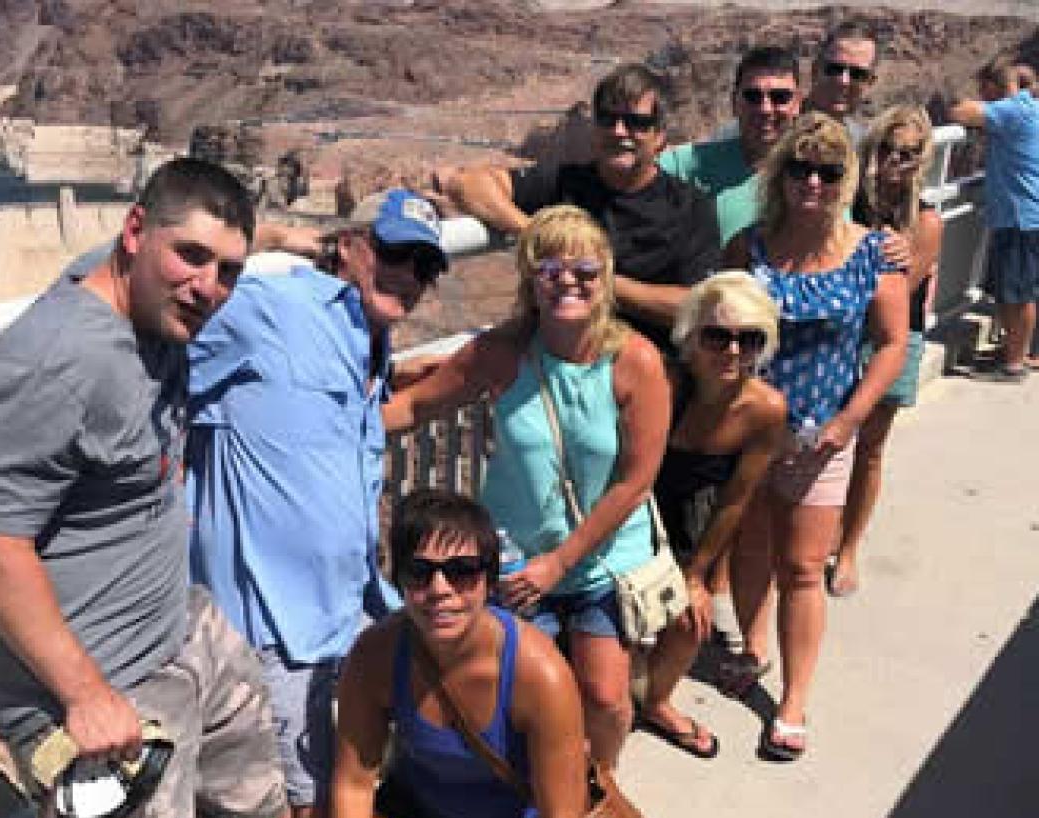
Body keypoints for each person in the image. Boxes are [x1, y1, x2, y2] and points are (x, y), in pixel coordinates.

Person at [0, 158, 289, 818]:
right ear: (134, 232)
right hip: (101, 685)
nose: (209, 288)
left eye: (228, 269)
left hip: (180, 628)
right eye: (191, 257)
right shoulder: (51, 363)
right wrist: (84, 696)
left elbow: (194, 256)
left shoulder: (152, 304)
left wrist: (297, 240)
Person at [184, 188, 449, 818]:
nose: (407, 276)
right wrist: (262, 237)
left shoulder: (371, 346)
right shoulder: (273, 309)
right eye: (394, 254)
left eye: (424, 266)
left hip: (346, 611)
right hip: (272, 624)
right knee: (293, 817)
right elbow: (121, 297)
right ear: (352, 247)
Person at [382, 205, 671, 770]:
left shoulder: (634, 361)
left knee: (606, 699)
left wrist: (560, 564)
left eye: (584, 270)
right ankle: (526, 786)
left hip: (600, 558)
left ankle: (597, 789)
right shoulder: (503, 354)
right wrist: (330, 424)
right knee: (513, 689)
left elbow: (635, 484)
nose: (568, 281)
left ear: (605, 276)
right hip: (517, 556)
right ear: (530, 279)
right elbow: (417, 405)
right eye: (550, 268)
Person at [299, 489, 600, 818]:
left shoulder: (540, 673)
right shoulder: (376, 655)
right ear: (398, 579)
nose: (440, 589)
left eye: (462, 571)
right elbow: (353, 783)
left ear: (489, 578)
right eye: (420, 571)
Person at [722, 113, 908, 761]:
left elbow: (891, 345)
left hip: (824, 435)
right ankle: (752, 649)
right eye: (799, 167)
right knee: (748, 550)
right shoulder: (750, 247)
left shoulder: (873, 253)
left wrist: (847, 422)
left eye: (828, 171)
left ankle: (794, 700)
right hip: (750, 431)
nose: (812, 181)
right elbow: (721, 323)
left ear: (845, 179)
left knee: (802, 567)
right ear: (779, 173)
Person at [441, 63, 720, 348]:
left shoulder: (690, 207)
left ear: (659, 136)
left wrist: (596, 278)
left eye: (636, 122)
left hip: (645, 363)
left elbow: (693, 305)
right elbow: (468, 185)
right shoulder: (564, 182)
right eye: (608, 119)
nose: (619, 131)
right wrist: (539, 233)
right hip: (556, 359)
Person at [643, 272, 786, 756]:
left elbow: (735, 499)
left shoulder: (765, 409)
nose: (731, 352)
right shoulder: (661, 380)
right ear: (691, 334)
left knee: (690, 622)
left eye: (749, 340)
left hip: (693, 514)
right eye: (717, 336)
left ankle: (656, 700)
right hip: (634, 504)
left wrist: (698, 575)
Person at [830, 105, 944, 597]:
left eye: (909, 153)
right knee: (827, 439)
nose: (896, 162)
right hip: (839, 332)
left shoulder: (925, 222)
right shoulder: (843, 203)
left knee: (869, 448)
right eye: (887, 149)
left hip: (893, 338)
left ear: (923, 160)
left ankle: (848, 548)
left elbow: (898, 296)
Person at [949, 54, 1039, 382]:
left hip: (1020, 217)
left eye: (983, 89)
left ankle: (1014, 365)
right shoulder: (1028, 107)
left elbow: (960, 112)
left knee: (1019, 294)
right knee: (1015, 291)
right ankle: (1015, 353)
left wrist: (967, 101)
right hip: (1020, 215)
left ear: (993, 87)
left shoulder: (1013, 109)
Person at [660, 45, 803, 246]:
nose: (765, 108)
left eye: (780, 97)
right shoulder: (692, 163)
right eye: (753, 96)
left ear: (798, 103)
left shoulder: (819, 175)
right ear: (734, 102)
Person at [804, 20, 881, 141]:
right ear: (815, 70)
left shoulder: (865, 147)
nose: (843, 81)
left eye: (858, 74)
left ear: (870, 83)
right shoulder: (776, 131)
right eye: (835, 69)